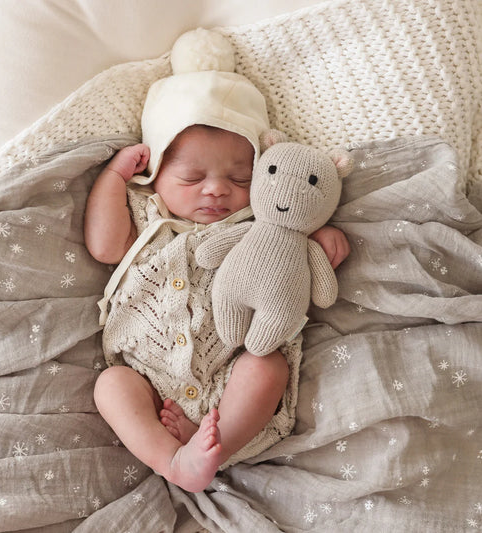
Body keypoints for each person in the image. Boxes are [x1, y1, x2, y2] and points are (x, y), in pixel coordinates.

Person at [84, 31, 350, 493]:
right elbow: (105, 247)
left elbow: (289, 229)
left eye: (239, 177)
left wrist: (313, 232)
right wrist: (112, 177)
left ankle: (216, 446)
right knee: (111, 385)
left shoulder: (259, 220)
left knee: (267, 367)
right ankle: (174, 459)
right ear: (155, 173)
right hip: (150, 378)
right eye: (191, 176)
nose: (216, 189)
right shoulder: (147, 217)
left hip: (235, 367)